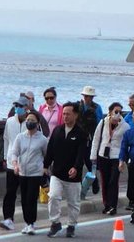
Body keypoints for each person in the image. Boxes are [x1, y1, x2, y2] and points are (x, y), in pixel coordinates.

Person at [45, 102, 87, 238]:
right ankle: (55, 223)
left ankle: (71, 225)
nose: (65, 116)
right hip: (56, 173)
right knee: (53, 197)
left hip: (73, 176)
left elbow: (81, 154)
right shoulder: (57, 130)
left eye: (68, 113)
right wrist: (45, 166)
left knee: (73, 203)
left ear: (75, 115)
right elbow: (50, 150)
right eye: (63, 113)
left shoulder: (81, 133)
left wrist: (76, 167)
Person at [8, 112, 47, 235]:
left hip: (35, 174)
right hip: (22, 173)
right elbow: (14, 152)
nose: (29, 122)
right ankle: (26, 223)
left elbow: (47, 155)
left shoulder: (42, 139)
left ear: (37, 123)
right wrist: (15, 165)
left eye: (32, 120)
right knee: (24, 199)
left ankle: (31, 223)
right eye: (28, 120)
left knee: (31, 198)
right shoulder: (20, 137)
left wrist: (45, 168)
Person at [90, 102, 130, 215]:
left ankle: (113, 205)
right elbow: (96, 139)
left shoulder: (125, 126)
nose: (118, 114)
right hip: (103, 155)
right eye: (115, 111)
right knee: (105, 180)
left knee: (113, 181)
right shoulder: (103, 123)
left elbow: (127, 143)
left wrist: (125, 158)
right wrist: (93, 156)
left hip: (117, 157)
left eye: (120, 112)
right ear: (110, 112)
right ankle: (106, 204)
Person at [1, 95, 32, 231]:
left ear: (26, 108)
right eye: (16, 106)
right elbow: (6, 139)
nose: (17, 109)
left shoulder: (31, 122)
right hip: (11, 163)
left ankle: (29, 222)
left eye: (20, 106)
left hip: (26, 163)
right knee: (10, 192)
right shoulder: (9, 121)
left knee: (26, 194)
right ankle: (8, 219)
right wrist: (5, 158)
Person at [77, 86, 102, 195]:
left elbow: (100, 124)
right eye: (86, 96)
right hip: (78, 139)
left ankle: (94, 181)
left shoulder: (97, 108)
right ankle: (78, 188)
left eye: (90, 97)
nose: (88, 98)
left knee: (89, 163)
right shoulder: (78, 106)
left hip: (90, 139)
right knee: (77, 163)